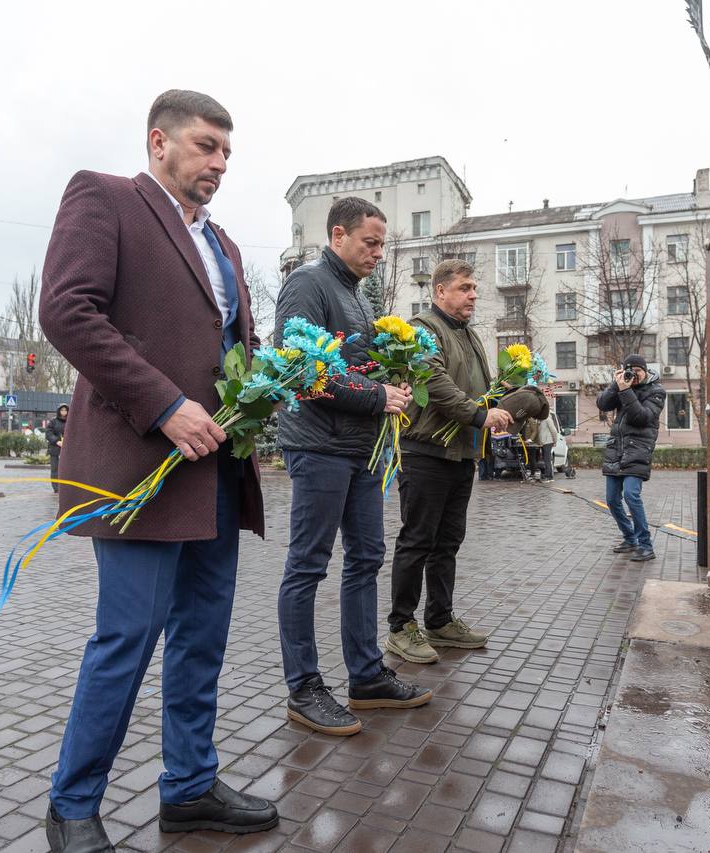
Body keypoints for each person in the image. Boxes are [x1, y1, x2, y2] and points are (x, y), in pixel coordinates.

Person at [39, 89, 277, 853]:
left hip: (217, 467)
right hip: (141, 462)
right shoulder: (103, 198)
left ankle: (189, 786)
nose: (219, 163)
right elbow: (67, 311)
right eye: (207, 146)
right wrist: (164, 403)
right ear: (158, 142)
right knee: (128, 635)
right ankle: (72, 804)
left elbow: (231, 346)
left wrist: (268, 385)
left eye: (227, 153)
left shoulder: (227, 245)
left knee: (202, 635)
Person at [273, 196, 432, 737]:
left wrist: (393, 385)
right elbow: (298, 370)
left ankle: (365, 677)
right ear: (337, 234)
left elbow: (360, 370)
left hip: (361, 449)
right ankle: (304, 688)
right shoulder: (309, 284)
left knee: (366, 557)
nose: (378, 253)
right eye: (371, 242)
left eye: (383, 244)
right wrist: (375, 396)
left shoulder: (359, 296)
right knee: (308, 566)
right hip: (319, 447)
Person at [386, 259, 514, 664]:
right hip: (425, 453)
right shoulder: (424, 330)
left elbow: (480, 388)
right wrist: (480, 415)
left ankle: (439, 620)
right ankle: (400, 626)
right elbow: (435, 384)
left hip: (460, 453)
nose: (473, 294)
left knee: (447, 543)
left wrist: (506, 399)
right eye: (465, 288)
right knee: (416, 541)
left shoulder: (471, 335)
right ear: (440, 291)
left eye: (474, 288)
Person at [596, 354, 666, 562]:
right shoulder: (622, 385)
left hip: (638, 451)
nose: (633, 375)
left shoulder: (657, 391)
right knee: (611, 500)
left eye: (638, 371)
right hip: (616, 450)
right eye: (630, 371)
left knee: (631, 496)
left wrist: (626, 391)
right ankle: (630, 538)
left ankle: (646, 545)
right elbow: (603, 404)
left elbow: (641, 417)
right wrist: (615, 385)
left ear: (645, 371)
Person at [45, 405, 68, 493]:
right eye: (62, 410)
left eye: (65, 410)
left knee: (66, 469)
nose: (64, 412)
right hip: (55, 449)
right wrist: (57, 441)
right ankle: (56, 488)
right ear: (59, 411)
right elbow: (48, 433)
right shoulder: (53, 422)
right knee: (55, 469)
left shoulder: (71, 421)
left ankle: (66, 486)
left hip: (67, 450)